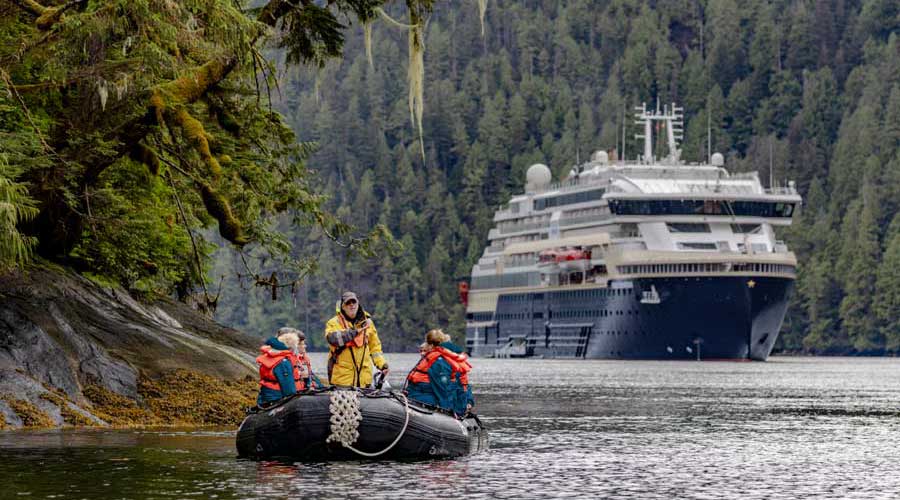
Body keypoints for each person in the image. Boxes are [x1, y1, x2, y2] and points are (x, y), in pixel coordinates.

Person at [324, 291, 389, 387]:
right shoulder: (333, 322)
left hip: (364, 379)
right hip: (343, 380)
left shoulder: (368, 323)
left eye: (354, 302)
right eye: (348, 303)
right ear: (343, 306)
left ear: (358, 304)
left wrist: (382, 364)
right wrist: (354, 332)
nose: (351, 305)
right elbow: (333, 339)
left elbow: (375, 349)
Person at [405, 329, 474, 417]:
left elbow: (444, 390)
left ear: (431, 345)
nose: (423, 353)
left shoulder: (439, 362)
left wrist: (448, 412)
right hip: (420, 398)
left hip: (421, 398)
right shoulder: (443, 361)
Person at [256, 330, 302, 405]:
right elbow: (288, 389)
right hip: (277, 397)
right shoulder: (283, 362)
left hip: (266, 395)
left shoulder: (269, 357)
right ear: (290, 347)